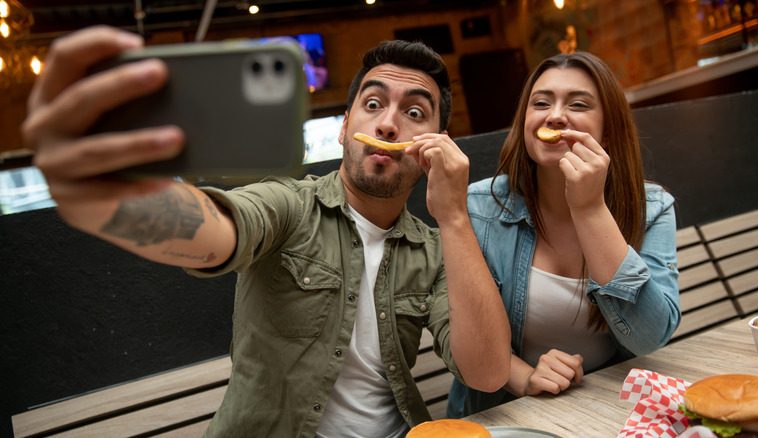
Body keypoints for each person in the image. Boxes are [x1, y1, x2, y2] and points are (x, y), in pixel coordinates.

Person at [23, 26, 511, 437]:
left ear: (435, 145)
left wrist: (453, 217)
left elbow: (486, 374)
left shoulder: (435, 249)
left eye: (414, 113)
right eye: (373, 103)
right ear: (344, 127)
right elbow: (216, 230)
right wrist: (112, 198)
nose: (387, 124)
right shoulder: (288, 205)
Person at [446, 51, 681, 418]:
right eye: (541, 103)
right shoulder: (479, 208)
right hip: (505, 413)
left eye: (578, 104)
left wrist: (590, 210)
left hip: (612, 407)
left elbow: (650, 338)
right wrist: (525, 377)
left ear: (608, 128)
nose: (555, 115)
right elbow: (463, 333)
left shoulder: (653, 208)